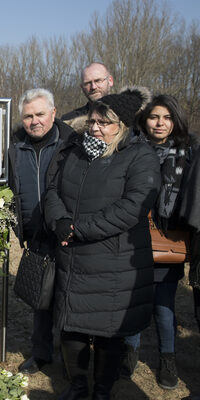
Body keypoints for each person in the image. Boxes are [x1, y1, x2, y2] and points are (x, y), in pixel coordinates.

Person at [44, 87, 160, 399]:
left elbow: (131, 208)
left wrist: (78, 229)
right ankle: (78, 385)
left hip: (113, 260)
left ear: (122, 125)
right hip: (72, 256)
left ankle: (103, 389)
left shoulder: (140, 156)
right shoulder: (74, 149)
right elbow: (52, 187)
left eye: (104, 123)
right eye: (93, 121)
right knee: (72, 326)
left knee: (109, 332)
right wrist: (59, 222)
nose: (95, 128)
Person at [123, 95, 197, 389]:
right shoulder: (131, 150)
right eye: (155, 117)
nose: (160, 123)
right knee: (134, 299)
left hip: (169, 237)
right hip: (133, 237)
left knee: (164, 304)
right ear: (145, 120)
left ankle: (168, 357)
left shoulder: (187, 153)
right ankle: (130, 351)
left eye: (167, 117)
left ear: (175, 121)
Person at [8, 88, 75, 374]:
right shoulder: (13, 146)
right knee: (41, 295)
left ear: (53, 113)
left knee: (69, 295)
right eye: (28, 116)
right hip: (34, 233)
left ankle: (73, 357)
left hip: (67, 231)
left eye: (40, 114)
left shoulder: (72, 142)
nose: (34, 121)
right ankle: (42, 352)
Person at [61, 62, 114, 130]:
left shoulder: (126, 114)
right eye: (87, 83)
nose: (93, 87)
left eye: (98, 81)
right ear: (82, 87)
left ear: (110, 81)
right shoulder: (69, 121)